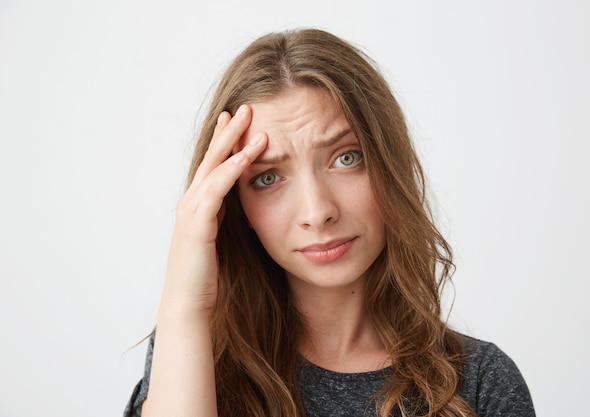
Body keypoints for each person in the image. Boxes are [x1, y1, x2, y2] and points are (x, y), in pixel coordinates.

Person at [124, 28, 535, 417]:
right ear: (231, 205)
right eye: (267, 177)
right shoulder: (188, 354)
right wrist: (185, 303)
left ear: (390, 164)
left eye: (346, 158)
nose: (317, 211)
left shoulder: (480, 384)